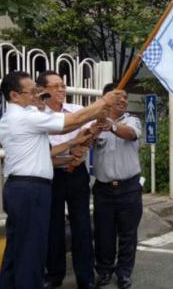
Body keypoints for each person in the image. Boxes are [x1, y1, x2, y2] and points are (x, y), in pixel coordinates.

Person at [0, 71, 123, 289]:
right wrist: (103, 101)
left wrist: (75, 141)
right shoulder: (26, 116)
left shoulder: (16, 118)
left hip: (23, 187)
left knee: (17, 249)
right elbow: (71, 121)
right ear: (14, 96)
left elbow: (61, 136)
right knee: (32, 252)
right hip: (30, 190)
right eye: (33, 91)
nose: (37, 95)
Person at [36, 71, 97, 289]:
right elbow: (46, 151)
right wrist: (71, 149)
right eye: (55, 86)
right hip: (52, 174)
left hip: (76, 174)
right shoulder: (39, 116)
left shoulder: (76, 111)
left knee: (81, 226)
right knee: (53, 226)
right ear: (43, 91)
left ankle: (85, 276)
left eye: (63, 85)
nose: (62, 89)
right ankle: (55, 274)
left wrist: (85, 144)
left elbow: (87, 135)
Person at [92, 83, 143, 289]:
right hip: (103, 189)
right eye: (118, 98)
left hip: (128, 188)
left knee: (128, 234)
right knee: (103, 234)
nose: (123, 101)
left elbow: (131, 134)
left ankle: (124, 273)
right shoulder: (94, 122)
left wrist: (111, 127)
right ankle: (104, 271)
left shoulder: (132, 120)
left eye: (125, 99)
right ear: (107, 99)